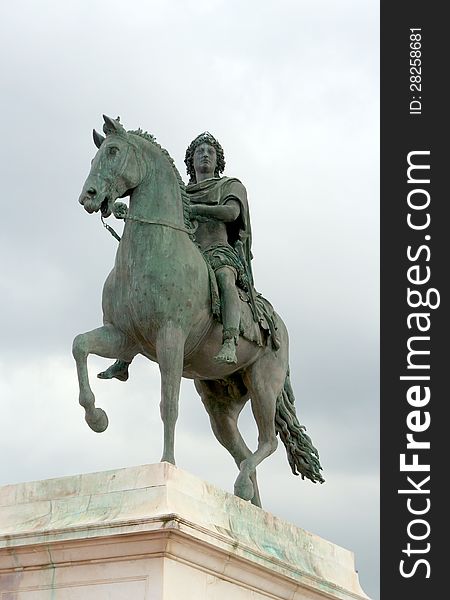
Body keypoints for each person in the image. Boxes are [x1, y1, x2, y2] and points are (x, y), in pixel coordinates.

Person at [98, 132, 255, 380]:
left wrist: (196, 209)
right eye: (199, 152)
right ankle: (124, 352)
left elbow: (231, 212)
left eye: (210, 151)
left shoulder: (229, 186)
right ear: (191, 161)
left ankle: (230, 338)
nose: (204, 154)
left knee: (225, 277)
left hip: (216, 250)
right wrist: (127, 212)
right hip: (186, 251)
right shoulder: (181, 191)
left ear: (218, 160)